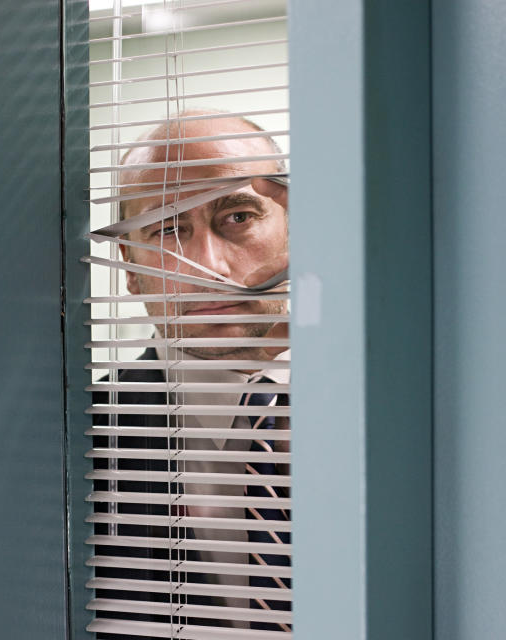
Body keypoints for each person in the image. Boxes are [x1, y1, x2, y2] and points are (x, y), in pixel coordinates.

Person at [91, 111, 292, 636]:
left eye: (239, 217)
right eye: (168, 228)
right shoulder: (75, 441)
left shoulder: (389, 407)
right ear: (131, 268)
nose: (210, 268)